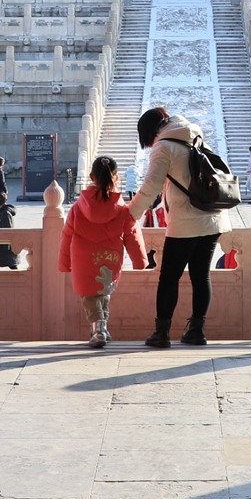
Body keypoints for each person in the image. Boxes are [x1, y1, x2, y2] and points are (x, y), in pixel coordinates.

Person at [129, 106, 232, 348]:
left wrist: (130, 214)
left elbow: (150, 188)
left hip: (186, 222)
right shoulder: (195, 136)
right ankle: (197, 331)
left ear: (149, 132)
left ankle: (162, 333)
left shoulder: (164, 147)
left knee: (169, 277)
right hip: (213, 217)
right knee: (201, 275)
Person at [59, 156, 145, 348]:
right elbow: (132, 233)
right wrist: (139, 261)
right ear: (116, 177)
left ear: (91, 177)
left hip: (83, 258)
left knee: (89, 294)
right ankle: (102, 328)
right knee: (104, 291)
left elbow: (66, 234)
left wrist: (64, 262)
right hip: (111, 257)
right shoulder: (122, 208)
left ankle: (98, 329)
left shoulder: (79, 206)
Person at [0, 194, 20, 270]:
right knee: (11, 264)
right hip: (3, 243)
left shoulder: (5, 213)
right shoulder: (4, 211)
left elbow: (7, 229)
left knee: (7, 264)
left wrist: (6, 243)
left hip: (4, 244)